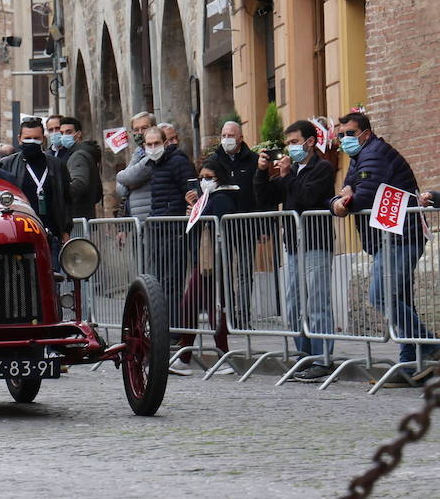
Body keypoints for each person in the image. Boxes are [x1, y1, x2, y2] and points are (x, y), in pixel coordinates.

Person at [329, 110, 437, 367]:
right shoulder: (359, 157)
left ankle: (429, 344)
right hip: (388, 238)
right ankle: (410, 364)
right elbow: (345, 191)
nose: (345, 139)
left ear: (365, 134)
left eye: (350, 134)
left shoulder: (374, 154)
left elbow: (361, 196)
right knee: (399, 299)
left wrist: (344, 201)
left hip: (400, 238)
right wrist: (339, 200)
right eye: (341, 135)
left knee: (382, 296)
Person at [255, 120, 336, 380]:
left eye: (294, 142)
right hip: (293, 245)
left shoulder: (322, 168)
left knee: (317, 303)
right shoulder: (291, 172)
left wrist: (288, 176)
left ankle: (322, 359)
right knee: (293, 304)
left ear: (310, 142)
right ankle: (304, 356)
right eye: (288, 143)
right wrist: (261, 172)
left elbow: (308, 198)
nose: (290, 148)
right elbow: (265, 197)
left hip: (315, 243)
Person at [169, 157, 237, 374]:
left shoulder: (223, 197)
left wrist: (197, 210)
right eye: (201, 178)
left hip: (214, 261)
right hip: (205, 260)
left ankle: (192, 356)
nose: (204, 181)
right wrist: (194, 206)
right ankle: (196, 357)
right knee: (206, 308)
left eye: (209, 178)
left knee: (198, 306)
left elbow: (217, 218)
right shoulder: (206, 198)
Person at [136, 125, 197, 321]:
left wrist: (189, 207)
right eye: (149, 144)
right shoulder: (154, 164)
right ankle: (164, 327)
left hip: (174, 230)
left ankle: (174, 328)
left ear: (165, 143)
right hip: (158, 229)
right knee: (158, 282)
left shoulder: (178, 161)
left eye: (156, 143)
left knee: (172, 282)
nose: (153, 148)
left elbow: (192, 191)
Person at [0, 117, 72, 267]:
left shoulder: (57, 166)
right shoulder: (6, 165)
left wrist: (66, 230)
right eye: (27, 138)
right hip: (17, 236)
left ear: (43, 139)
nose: (32, 142)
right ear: (19, 139)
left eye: (36, 138)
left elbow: (66, 199)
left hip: (51, 236)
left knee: (51, 282)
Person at [55, 116, 102, 221]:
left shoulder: (78, 156)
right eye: (62, 133)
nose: (64, 136)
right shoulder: (83, 153)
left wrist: (56, 190)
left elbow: (79, 184)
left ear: (78, 134)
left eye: (68, 132)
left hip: (77, 216)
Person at [116, 111, 157, 220]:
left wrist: (124, 178)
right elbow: (120, 189)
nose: (140, 133)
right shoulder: (138, 153)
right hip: (138, 217)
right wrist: (128, 183)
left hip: (152, 216)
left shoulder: (155, 153)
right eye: (136, 129)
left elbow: (128, 177)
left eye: (144, 128)